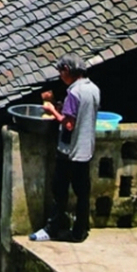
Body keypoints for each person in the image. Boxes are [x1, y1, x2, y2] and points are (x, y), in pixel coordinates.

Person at [30, 53, 100, 243]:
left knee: (59, 191)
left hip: (70, 150)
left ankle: (51, 228)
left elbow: (68, 125)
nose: (61, 77)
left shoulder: (73, 93)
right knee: (82, 192)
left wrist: (52, 110)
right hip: (86, 148)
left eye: (61, 73)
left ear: (67, 71)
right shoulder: (93, 89)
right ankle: (80, 231)